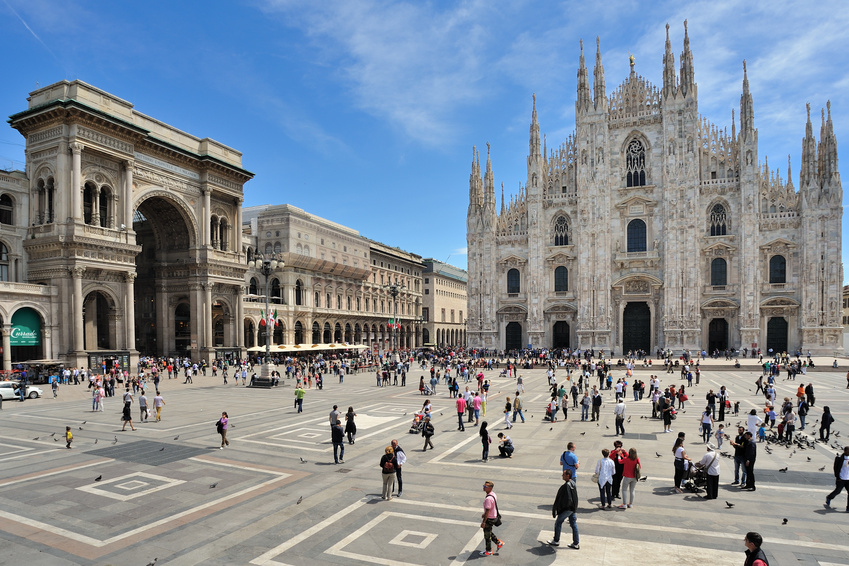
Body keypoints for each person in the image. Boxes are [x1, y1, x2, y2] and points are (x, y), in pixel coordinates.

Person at [548, 469, 579, 549]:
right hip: (573, 508)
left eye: (563, 474)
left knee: (558, 522)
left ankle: (556, 540)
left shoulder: (566, 486)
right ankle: (576, 543)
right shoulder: (573, 483)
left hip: (568, 508)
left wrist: (561, 509)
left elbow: (566, 499)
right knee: (573, 524)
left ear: (567, 476)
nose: (562, 476)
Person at [480, 481, 504, 556]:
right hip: (494, 516)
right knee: (488, 531)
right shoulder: (493, 494)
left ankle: (488, 550)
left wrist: (484, 522)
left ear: (490, 488)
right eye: (484, 486)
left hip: (489, 518)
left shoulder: (488, 498)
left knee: (487, 535)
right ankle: (498, 543)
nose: (483, 487)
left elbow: (488, 510)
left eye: (485, 486)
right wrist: (485, 514)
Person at [824, 446, 849, 511]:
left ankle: (848, 508)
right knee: (838, 491)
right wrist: (837, 477)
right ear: (845, 451)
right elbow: (835, 468)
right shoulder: (839, 458)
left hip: (848, 479)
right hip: (841, 478)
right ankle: (829, 497)